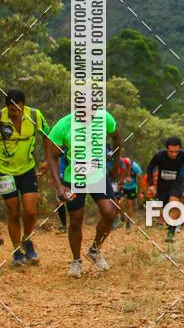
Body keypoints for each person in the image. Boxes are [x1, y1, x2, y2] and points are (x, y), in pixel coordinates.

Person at [48, 109, 121, 277]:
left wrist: (115, 165)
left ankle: (95, 250)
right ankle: (76, 261)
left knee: (110, 213)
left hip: (98, 176)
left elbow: (116, 137)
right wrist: (59, 186)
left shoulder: (105, 117)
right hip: (74, 179)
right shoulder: (64, 125)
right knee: (75, 220)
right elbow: (52, 156)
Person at [0, 88, 52, 266]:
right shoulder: (1, 117)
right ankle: (17, 251)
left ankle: (27, 240)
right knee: (13, 212)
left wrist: (47, 159)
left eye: (19, 109)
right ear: (6, 107)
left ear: (24, 106)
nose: (15, 113)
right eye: (12, 110)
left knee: (30, 211)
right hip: (5, 171)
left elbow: (47, 135)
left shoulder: (35, 115)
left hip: (27, 169)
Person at [146, 137, 184, 243]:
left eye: (176, 151)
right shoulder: (159, 156)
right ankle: (169, 223)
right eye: (171, 152)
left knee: (174, 203)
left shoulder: (183, 155)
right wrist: (151, 185)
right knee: (166, 208)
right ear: (167, 149)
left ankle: (171, 231)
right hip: (162, 184)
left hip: (176, 182)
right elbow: (150, 168)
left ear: (180, 149)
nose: (174, 154)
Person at [119, 156, 143, 231]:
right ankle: (122, 216)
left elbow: (140, 180)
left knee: (130, 204)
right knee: (119, 203)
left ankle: (128, 222)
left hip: (132, 187)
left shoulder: (135, 167)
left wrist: (140, 192)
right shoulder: (120, 165)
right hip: (123, 187)